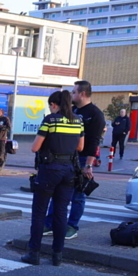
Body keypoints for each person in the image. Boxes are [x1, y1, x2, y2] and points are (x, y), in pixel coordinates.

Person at [21, 90, 84, 267]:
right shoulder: (78, 120)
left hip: (49, 170)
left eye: (50, 105)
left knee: (40, 212)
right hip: (69, 171)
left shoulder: (50, 119)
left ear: (54, 105)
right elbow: (80, 147)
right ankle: (57, 255)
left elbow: (35, 147)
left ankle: (34, 254)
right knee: (61, 212)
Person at [44, 81, 105, 240]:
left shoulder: (95, 114)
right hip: (67, 157)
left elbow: (94, 141)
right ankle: (50, 223)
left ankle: (72, 226)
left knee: (78, 195)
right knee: (57, 191)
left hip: (83, 158)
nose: (71, 95)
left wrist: (88, 165)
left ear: (82, 94)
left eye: (74, 92)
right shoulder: (72, 110)